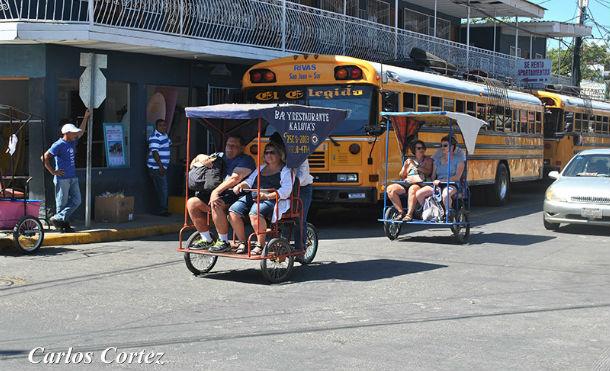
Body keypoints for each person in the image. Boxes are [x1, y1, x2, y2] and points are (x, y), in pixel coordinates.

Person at [187, 135, 255, 251]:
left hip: (234, 193)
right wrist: (200, 157)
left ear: (241, 148)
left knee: (216, 202)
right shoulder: (219, 155)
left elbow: (235, 178)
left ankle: (223, 241)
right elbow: (192, 165)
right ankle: (206, 239)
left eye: (233, 146)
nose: (229, 148)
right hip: (214, 191)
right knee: (192, 203)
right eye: (228, 145)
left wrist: (216, 192)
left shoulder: (246, 160)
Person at [228, 142, 293, 255]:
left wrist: (267, 195)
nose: (268, 155)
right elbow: (249, 182)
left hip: (272, 199)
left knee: (255, 213)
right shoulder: (261, 167)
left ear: (279, 154)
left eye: (272, 152)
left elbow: (285, 191)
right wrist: (240, 185)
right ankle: (243, 242)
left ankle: (260, 244)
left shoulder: (285, 170)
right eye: (266, 152)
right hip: (254, 196)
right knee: (233, 211)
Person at [42, 110, 90, 233]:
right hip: (62, 178)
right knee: (61, 203)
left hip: (72, 177)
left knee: (77, 200)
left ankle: (58, 218)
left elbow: (81, 131)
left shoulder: (72, 141)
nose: (75, 134)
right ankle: (63, 226)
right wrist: (53, 171)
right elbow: (44, 157)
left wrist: (85, 117)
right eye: (73, 133)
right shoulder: (58, 144)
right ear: (67, 133)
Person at [416, 135, 465, 216]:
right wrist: (426, 182)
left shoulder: (459, 160)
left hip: (451, 184)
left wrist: (442, 181)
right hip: (437, 184)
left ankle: (449, 213)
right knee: (419, 193)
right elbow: (433, 176)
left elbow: (457, 177)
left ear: (452, 147)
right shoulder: (437, 160)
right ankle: (432, 211)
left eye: (445, 145)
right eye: (441, 145)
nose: (442, 147)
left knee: (445, 195)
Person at [386, 140, 433, 221]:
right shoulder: (409, 160)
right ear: (414, 150)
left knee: (413, 188)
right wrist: (405, 166)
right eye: (419, 148)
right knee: (390, 189)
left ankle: (409, 214)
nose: (421, 150)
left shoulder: (428, 160)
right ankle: (401, 212)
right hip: (407, 182)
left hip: (420, 183)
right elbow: (401, 175)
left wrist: (414, 165)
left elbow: (428, 172)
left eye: (423, 148)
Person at [147, 119, 171, 216]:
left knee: (161, 189)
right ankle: (162, 210)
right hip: (156, 168)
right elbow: (154, 152)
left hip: (162, 167)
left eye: (164, 125)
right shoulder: (155, 137)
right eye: (160, 125)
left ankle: (162, 209)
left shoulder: (165, 136)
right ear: (156, 127)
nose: (163, 127)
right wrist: (161, 166)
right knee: (162, 188)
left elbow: (169, 145)